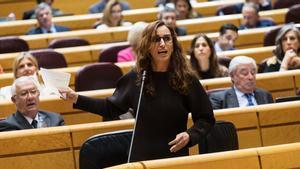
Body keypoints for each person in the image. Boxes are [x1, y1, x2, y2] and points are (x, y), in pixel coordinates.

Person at [60, 20, 215, 162]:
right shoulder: (137, 78)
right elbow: (110, 108)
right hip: (142, 158)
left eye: (167, 39)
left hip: (174, 157)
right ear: (147, 45)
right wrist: (76, 98)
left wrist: (190, 135)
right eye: (156, 39)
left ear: (173, 43)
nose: (162, 44)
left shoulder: (187, 79)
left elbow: (206, 118)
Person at [0, 76, 64, 132]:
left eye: (33, 92)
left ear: (38, 94)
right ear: (14, 100)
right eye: (24, 93)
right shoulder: (7, 125)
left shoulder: (55, 119)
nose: (30, 97)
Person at [209, 56, 273, 109]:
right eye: (244, 73)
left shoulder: (265, 95)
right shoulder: (219, 100)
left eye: (253, 73)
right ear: (232, 76)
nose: (250, 77)